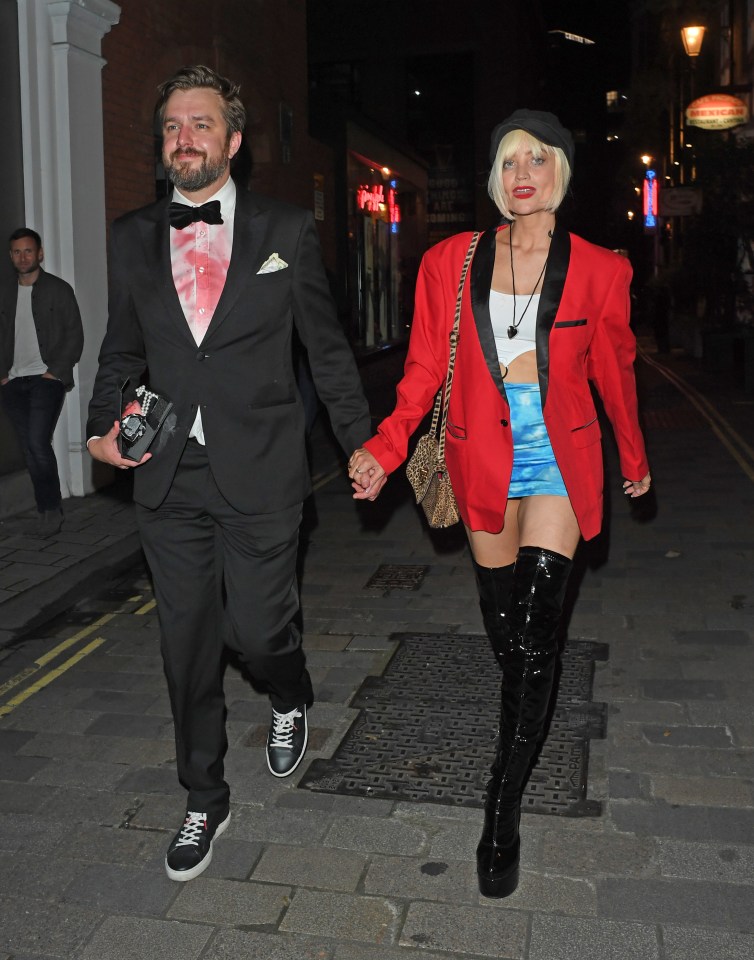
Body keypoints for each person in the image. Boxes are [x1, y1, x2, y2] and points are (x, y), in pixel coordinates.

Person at [348, 109, 651, 899]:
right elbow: (420, 374)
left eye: (538, 158)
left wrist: (636, 459)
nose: (523, 172)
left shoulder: (599, 270)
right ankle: (526, 720)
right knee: (512, 638)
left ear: (561, 171)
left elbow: (616, 369)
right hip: (481, 459)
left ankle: (500, 810)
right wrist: (383, 451)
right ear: (494, 177)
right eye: (509, 160)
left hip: (560, 462)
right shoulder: (449, 261)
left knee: (541, 636)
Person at [86, 65, 371, 882]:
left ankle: (289, 692)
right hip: (169, 474)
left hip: (263, 470)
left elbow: (325, 347)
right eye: (173, 126)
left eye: (201, 124)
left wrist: (361, 442)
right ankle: (203, 797)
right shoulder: (132, 234)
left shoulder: (286, 229)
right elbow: (122, 349)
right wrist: (106, 429)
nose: (185, 138)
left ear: (234, 141)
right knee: (186, 646)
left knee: (256, 632)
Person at [0, 228, 84, 536]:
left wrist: (55, 371)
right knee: (29, 447)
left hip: (46, 380)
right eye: (17, 252)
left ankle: (50, 509)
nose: (23, 257)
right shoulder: (5, 293)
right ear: (11, 256)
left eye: (28, 251)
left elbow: (74, 334)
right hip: (13, 382)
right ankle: (46, 507)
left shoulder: (58, 290)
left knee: (37, 443)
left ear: (40, 254)